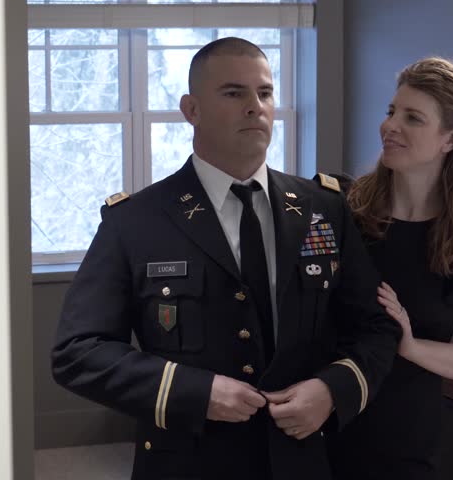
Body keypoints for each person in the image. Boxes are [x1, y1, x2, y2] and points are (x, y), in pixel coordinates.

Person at [51, 37, 401, 480]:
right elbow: (78, 352)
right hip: (189, 460)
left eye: (265, 93)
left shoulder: (323, 207)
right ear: (191, 110)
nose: (255, 106)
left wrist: (332, 390)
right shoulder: (136, 221)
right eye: (234, 93)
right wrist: (195, 393)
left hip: (300, 458)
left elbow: (375, 326)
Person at [327, 57, 453, 480]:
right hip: (323, 415)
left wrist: (411, 346)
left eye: (412, 117)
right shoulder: (343, 209)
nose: (390, 125)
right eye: (391, 111)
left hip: (408, 432)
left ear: (450, 139)